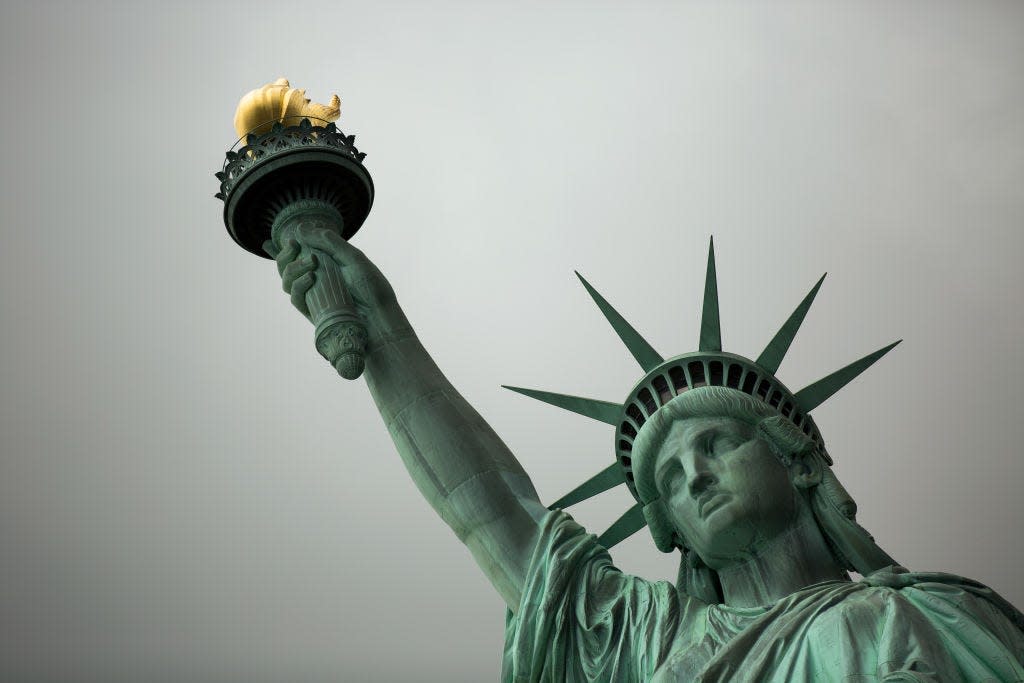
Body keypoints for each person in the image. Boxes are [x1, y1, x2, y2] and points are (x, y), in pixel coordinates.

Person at [264, 229, 1024, 681]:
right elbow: (490, 514)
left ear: (798, 460)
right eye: (666, 478)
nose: (692, 475)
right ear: (672, 532)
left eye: (716, 443)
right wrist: (385, 328)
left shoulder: (939, 617)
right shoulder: (650, 640)